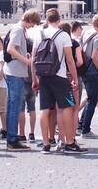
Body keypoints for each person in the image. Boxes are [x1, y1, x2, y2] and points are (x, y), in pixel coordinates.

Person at [33, 10, 85, 154]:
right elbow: (69, 59)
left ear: (47, 19)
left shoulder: (40, 34)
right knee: (67, 107)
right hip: (60, 77)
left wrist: (34, 79)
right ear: (59, 19)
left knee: (45, 110)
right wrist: (74, 78)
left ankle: (46, 144)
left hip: (43, 77)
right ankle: (69, 142)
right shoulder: (63, 35)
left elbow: (33, 59)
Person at [4, 10, 39, 151]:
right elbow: (10, 49)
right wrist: (27, 61)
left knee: (12, 106)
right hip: (15, 73)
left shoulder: (18, 29)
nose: (33, 26)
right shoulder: (18, 30)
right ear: (29, 20)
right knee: (15, 107)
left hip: (13, 71)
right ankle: (12, 140)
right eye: (34, 23)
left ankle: (11, 137)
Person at [77, 14, 98, 137]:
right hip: (93, 70)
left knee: (89, 98)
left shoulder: (85, 33)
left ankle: (81, 124)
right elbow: (94, 56)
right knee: (92, 100)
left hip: (84, 69)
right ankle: (86, 129)